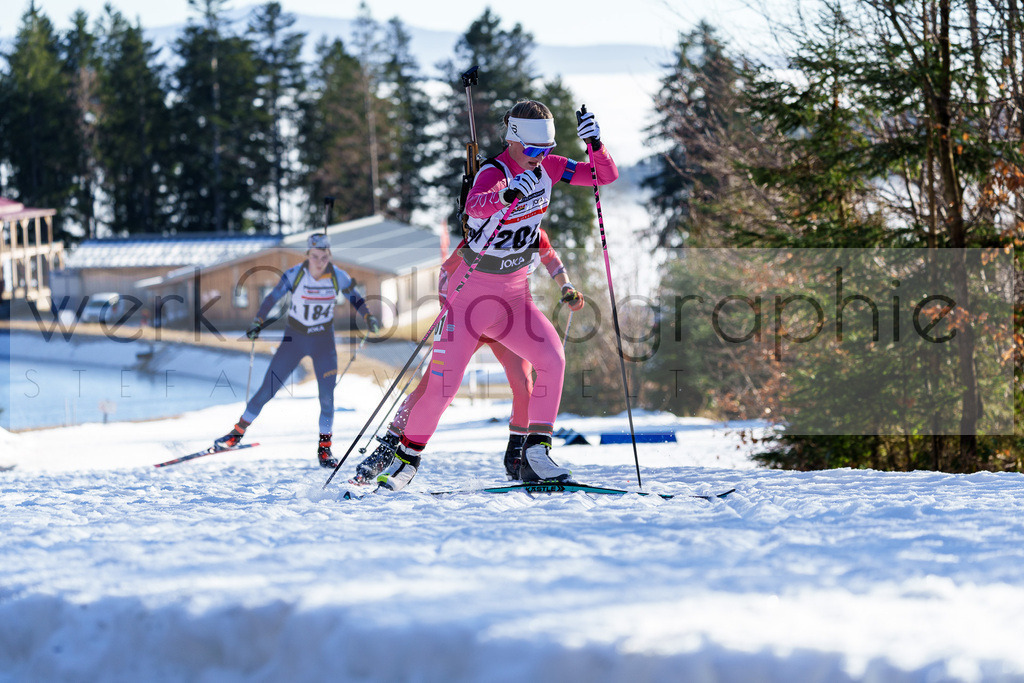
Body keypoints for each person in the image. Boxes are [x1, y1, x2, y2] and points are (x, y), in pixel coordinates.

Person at [372, 100, 617, 491]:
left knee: (552, 359)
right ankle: (405, 459)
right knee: (442, 388)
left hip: (515, 298)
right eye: (534, 150)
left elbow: (603, 177)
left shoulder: (548, 166)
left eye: (546, 150)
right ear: (515, 139)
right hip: (470, 299)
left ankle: (535, 453)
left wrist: (596, 143)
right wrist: (505, 196)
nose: (541, 158)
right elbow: (476, 205)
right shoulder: (494, 172)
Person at [351, 228, 586, 485]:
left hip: (506, 323)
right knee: (433, 385)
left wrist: (567, 286)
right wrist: (448, 309)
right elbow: (446, 272)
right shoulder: (483, 235)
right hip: (469, 321)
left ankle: (517, 455)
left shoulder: (533, 233)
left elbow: (551, 259)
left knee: (524, 384)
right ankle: (387, 449)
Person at [213, 234, 381, 467]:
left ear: (329, 255)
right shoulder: (295, 274)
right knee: (267, 388)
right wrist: (257, 321)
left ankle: (325, 449)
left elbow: (356, 298)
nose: (320, 261)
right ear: (308, 255)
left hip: (323, 341)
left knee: (327, 398)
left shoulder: (338, 276)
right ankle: (236, 434)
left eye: (324, 257)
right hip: (295, 338)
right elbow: (272, 298)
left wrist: (369, 317)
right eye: (315, 256)